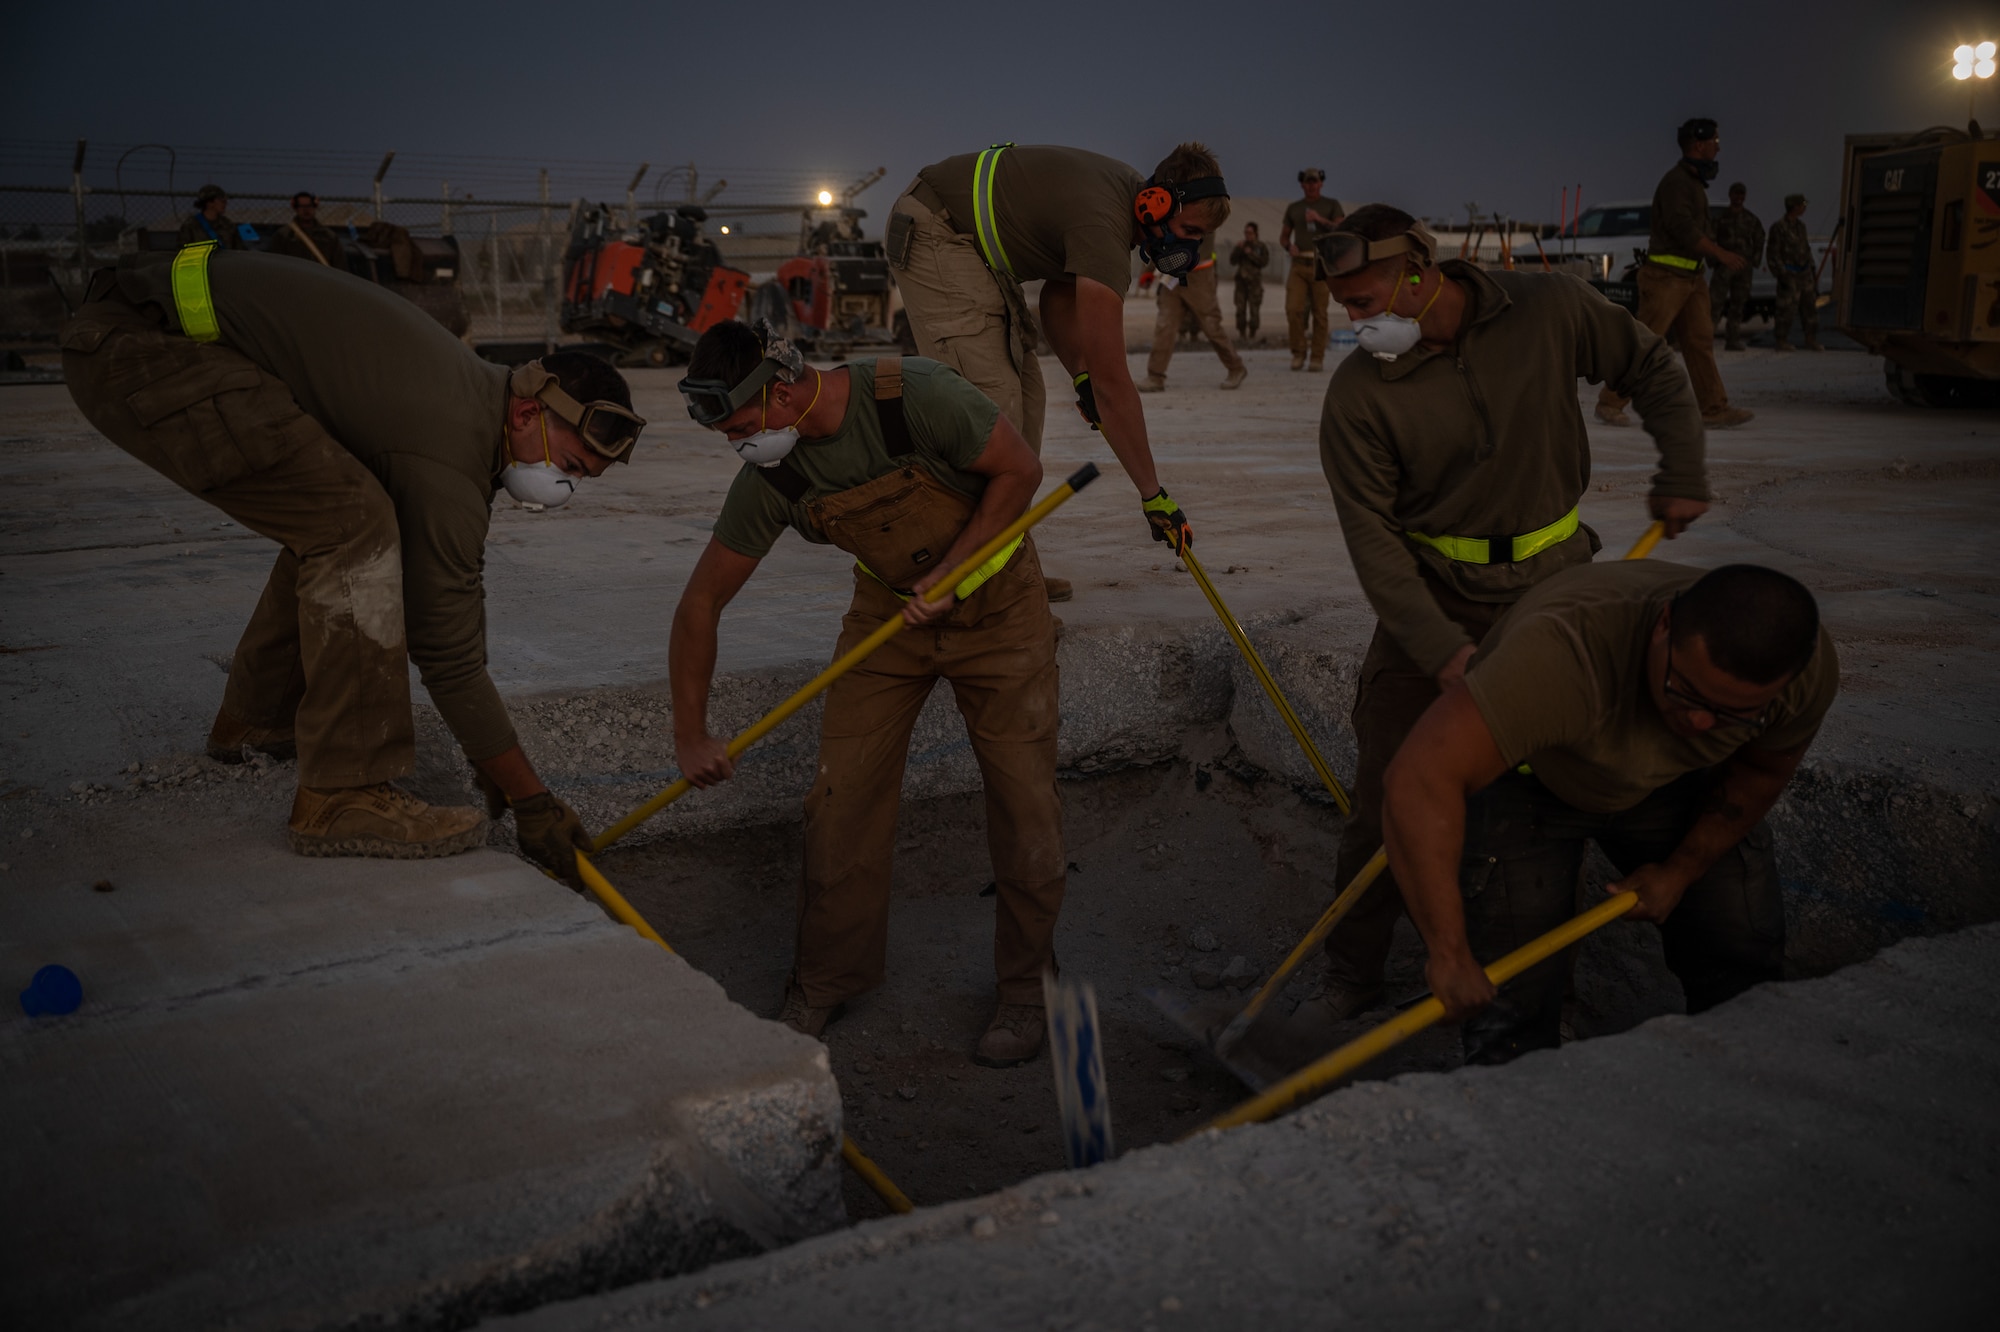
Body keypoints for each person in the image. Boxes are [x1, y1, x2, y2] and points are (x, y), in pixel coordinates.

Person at [57, 244, 639, 875]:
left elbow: (449, 604)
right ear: (529, 410)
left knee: (335, 509)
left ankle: (257, 720)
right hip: (140, 349)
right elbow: (447, 652)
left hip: (141, 329)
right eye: (571, 466)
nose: (564, 488)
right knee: (355, 529)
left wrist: (491, 759)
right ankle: (342, 793)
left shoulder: (470, 400)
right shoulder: (446, 448)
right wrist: (530, 796)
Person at [1302, 204, 1709, 1033]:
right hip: (1434, 596)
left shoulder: (1550, 309)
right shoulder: (1358, 395)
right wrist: (1439, 648)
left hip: (1557, 591)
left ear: (1420, 269)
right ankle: (1351, 971)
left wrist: (1683, 465)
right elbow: (1373, 543)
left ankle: (1554, 975)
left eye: (1365, 297)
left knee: (1560, 783)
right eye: (1342, 305)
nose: (1354, 319)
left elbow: (1655, 366)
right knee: (1389, 792)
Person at [670, 321, 1064, 1067]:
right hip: (889, 618)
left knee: (1025, 801)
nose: (738, 447)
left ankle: (1026, 986)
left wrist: (955, 573)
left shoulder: (912, 396)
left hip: (1000, 609)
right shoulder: (775, 476)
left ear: (781, 390)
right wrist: (690, 730)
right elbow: (700, 604)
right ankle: (824, 980)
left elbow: (1020, 472)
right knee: (840, 798)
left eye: (744, 428)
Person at [1379, 560, 1839, 1064]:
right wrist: (1446, 953)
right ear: (1664, 625)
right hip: (1531, 780)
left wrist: (1681, 871)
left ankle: (1740, 1092)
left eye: (1731, 714)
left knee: (1742, 955)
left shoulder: (1802, 673)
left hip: (1678, 782)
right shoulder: (1561, 655)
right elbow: (1416, 782)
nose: (1700, 721)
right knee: (1508, 1008)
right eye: (1684, 692)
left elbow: (1760, 772)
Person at [888, 142, 1232, 596]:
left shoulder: (1121, 209)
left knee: (1028, 403)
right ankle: (969, 584)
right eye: (1187, 230)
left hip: (970, 248)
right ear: (1158, 202)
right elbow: (1115, 385)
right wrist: (1153, 495)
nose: (1186, 246)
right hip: (938, 228)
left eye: (1197, 239)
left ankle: (1005, 564)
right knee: (990, 412)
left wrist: (1081, 375)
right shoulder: (1103, 226)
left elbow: (1058, 296)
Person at [1596, 118, 1754, 430]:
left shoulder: (1693, 182)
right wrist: (1720, 253)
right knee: (1646, 343)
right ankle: (1609, 403)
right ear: (1699, 144)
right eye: (1714, 142)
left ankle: (1713, 408)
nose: (1718, 147)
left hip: (1691, 280)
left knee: (1699, 343)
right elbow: (1683, 229)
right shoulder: (1677, 183)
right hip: (1666, 279)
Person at [1139, 237, 1246, 392]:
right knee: (1165, 325)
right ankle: (1155, 376)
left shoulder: (1205, 213)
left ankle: (1236, 367)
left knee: (1211, 326)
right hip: (1173, 275)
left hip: (1199, 275)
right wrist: (1149, 270)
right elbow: (1161, 239)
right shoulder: (1170, 213)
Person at [1278, 169, 1342, 372]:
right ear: (1302, 185)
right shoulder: (1295, 208)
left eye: (1315, 182)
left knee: (1320, 313)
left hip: (1321, 264)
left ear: (1321, 184)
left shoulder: (1331, 205)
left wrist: (1319, 219)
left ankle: (1317, 357)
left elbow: (1341, 230)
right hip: (1299, 264)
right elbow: (1284, 237)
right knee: (1293, 309)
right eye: (1308, 182)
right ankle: (1298, 353)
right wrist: (1289, 247)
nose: (1312, 185)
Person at [1709, 182, 1764, 351]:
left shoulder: (1751, 219)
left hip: (1743, 269)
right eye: (1736, 194)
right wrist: (1714, 261)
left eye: (1742, 195)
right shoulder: (1721, 218)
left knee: (1738, 305)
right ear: (1730, 195)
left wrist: (1753, 260)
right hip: (1724, 267)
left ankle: (1732, 339)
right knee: (1714, 303)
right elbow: (1710, 239)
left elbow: (1759, 239)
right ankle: (1706, 339)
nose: (1739, 198)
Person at [1767, 194, 1823, 352]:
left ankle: (1810, 338)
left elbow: (1805, 248)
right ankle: (1782, 340)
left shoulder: (1801, 227)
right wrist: (1782, 274)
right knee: (1786, 310)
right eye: (1802, 205)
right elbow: (1773, 254)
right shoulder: (1778, 227)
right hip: (1789, 274)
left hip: (1804, 274)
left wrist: (1811, 268)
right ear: (1794, 206)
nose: (1804, 208)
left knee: (1810, 309)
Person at [269, 191, 347, 270]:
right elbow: (276, 265)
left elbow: (340, 265)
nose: (306, 210)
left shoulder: (329, 237)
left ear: (314, 207)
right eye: (301, 206)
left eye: (309, 206)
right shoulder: (284, 236)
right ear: (295, 208)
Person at [1230, 221, 1271, 339]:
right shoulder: (1241, 245)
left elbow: (1264, 262)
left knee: (1254, 309)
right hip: (1241, 283)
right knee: (1240, 308)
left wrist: (1251, 253)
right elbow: (1232, 261)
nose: (1247, 235)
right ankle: (1242, 333)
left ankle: (1252, 332)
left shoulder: (1260, 246)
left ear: (1255, 233)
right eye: (1246, 232)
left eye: (1250, 233)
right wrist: (1238, 249)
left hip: (1254, 283)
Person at [177, 184, 248, 251]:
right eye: (221, 201)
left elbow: (239, 250)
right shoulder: (191, 225)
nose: (225, 203)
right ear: (209, 203)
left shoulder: (227, 225)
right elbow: (182, 250)